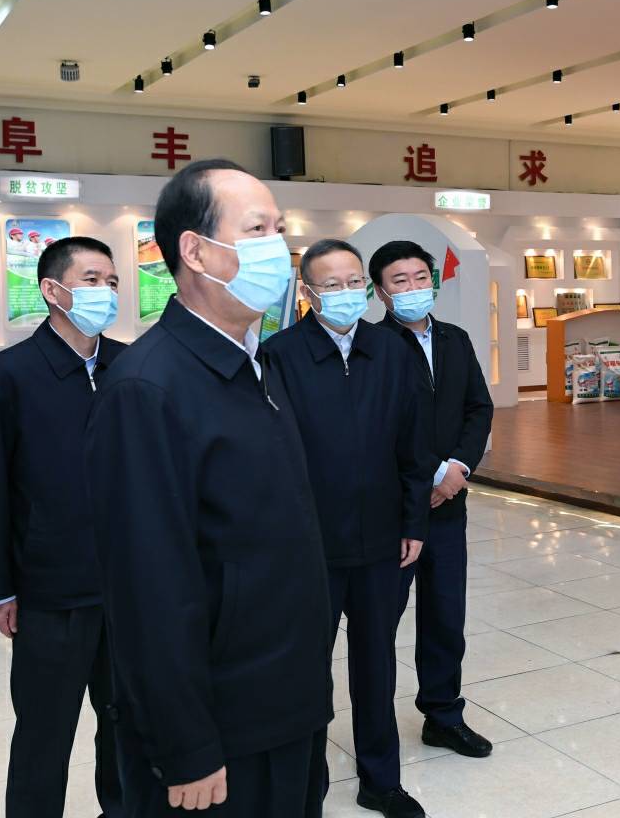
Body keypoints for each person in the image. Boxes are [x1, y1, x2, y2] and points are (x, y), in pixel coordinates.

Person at [85, 159, 333, 817]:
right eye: (256, 230)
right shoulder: (147, 389)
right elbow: (148, 590)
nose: (278, 247)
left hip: (288, 703)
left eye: (280, 228)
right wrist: (186, 744)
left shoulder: (254, 365)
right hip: (221, 730)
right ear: (194, 251)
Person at [262, 238, 432, 818]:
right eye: (330, 285)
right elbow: (272, 456)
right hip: (310, 545)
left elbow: (413, 446)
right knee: (306, 670)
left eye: (354, 282)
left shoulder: (391, 351)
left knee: (376, 663)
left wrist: (413, 521)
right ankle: (304, 787)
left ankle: (381, 781)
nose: (345, 293)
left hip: (382, 539)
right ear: (308, 293)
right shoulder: (280, 355)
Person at [0, 236, 125, 818]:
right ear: (53, 291)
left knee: (128, 724)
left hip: (128, 588)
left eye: (112, 281)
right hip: (50, 590)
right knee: (44, 731)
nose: (106, 292)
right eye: (91, 280)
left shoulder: (129, 367)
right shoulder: (8, 376)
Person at [369, 240, 495, 759]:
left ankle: (443, 715)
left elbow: (478, 408)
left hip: (448, 507)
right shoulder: (370, 347)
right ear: (380, 292)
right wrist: (431, 475)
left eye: (421, 277)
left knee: (445, 616)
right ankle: (374, 725)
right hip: (395, 511)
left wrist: (458, 468)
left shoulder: (454, 339)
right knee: (380, 622)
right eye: (400, 280)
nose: (413, 287)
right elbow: (376, 426)